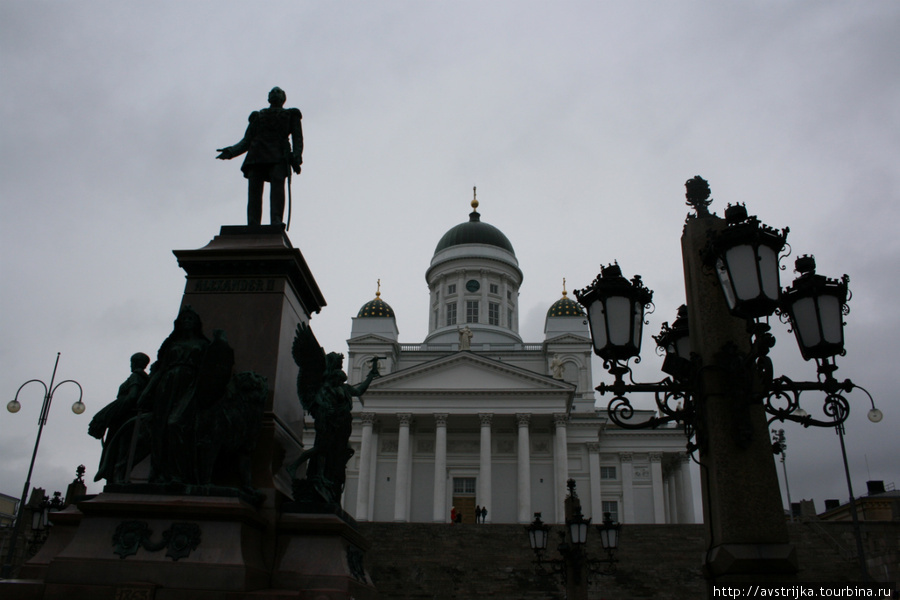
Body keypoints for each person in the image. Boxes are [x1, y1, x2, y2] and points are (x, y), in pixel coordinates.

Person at [217, 87, 303, 226]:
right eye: (272, 92)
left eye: (278, 92)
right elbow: (247, 140)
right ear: (268, 97)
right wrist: (231, 151)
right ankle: (253, 222)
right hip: (257, 154)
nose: (275, 93)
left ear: (283, 98)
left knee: (277, 189)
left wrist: (296, 157)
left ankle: (276, 220)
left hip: (279, 154)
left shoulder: (291, 115)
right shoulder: (258, 116)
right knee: (254, 191)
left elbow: (297, 139)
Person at [89, 352, 151, 483]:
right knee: (123, 450)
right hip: (130, 416)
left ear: (135, 363)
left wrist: (113, 411)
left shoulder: (135, 377)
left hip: (124, 417)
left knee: (119, 450)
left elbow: (132, 396)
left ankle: (116, 478)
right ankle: (119, 477)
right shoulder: (145, 378)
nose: (131, 365)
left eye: (132, 362)